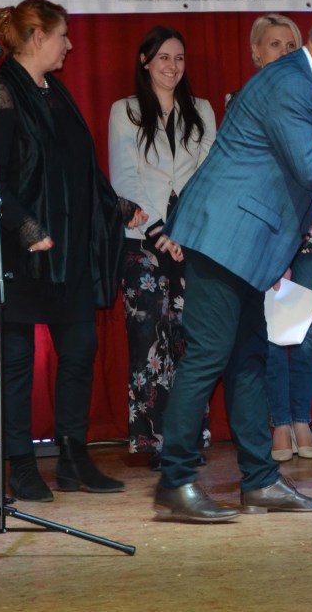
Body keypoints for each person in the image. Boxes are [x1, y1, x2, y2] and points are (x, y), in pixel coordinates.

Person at [153, 5, 312, 523]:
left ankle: (260, 481)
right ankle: (175, 482)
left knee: (248, 360)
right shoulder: (290, 84)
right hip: (224, 237)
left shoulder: (300, 84)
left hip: (244, 244)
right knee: (208, 357)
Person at [0, 0, 147, 502]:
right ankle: (20, 464)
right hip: (13, 250)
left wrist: (117, 205)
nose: (69, 45)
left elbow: (77, 169)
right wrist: (25, 228)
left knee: (80, 348)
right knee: (16, 359)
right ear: (37, 37)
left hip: (63, 252)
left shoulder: (56, 93)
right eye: (62, 35)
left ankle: (72, 456)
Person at [109, 26, 217, 470]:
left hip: (192, 241)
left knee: (191, 342)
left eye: (179, 58)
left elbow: (209, 175)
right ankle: (154, 441)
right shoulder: (125, 111)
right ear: (145, 62)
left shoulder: (202, 110)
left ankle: (188, 440)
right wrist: (159, 231)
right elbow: (124, 178)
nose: (172, 67)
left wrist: (183, 230)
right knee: (149, 341)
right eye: (163, 58)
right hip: (142, 242)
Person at [231, 15, 312, 462]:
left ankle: (303, 419)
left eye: (292, 45)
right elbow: (244, 177)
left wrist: (295, 236)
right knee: (270, 330)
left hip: (308, 233)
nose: (285, 52)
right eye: (274, 44)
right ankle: (280, 423)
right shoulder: (240, 103)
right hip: (263, 237)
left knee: (306, 332)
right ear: (256, 53)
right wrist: (275, 241)